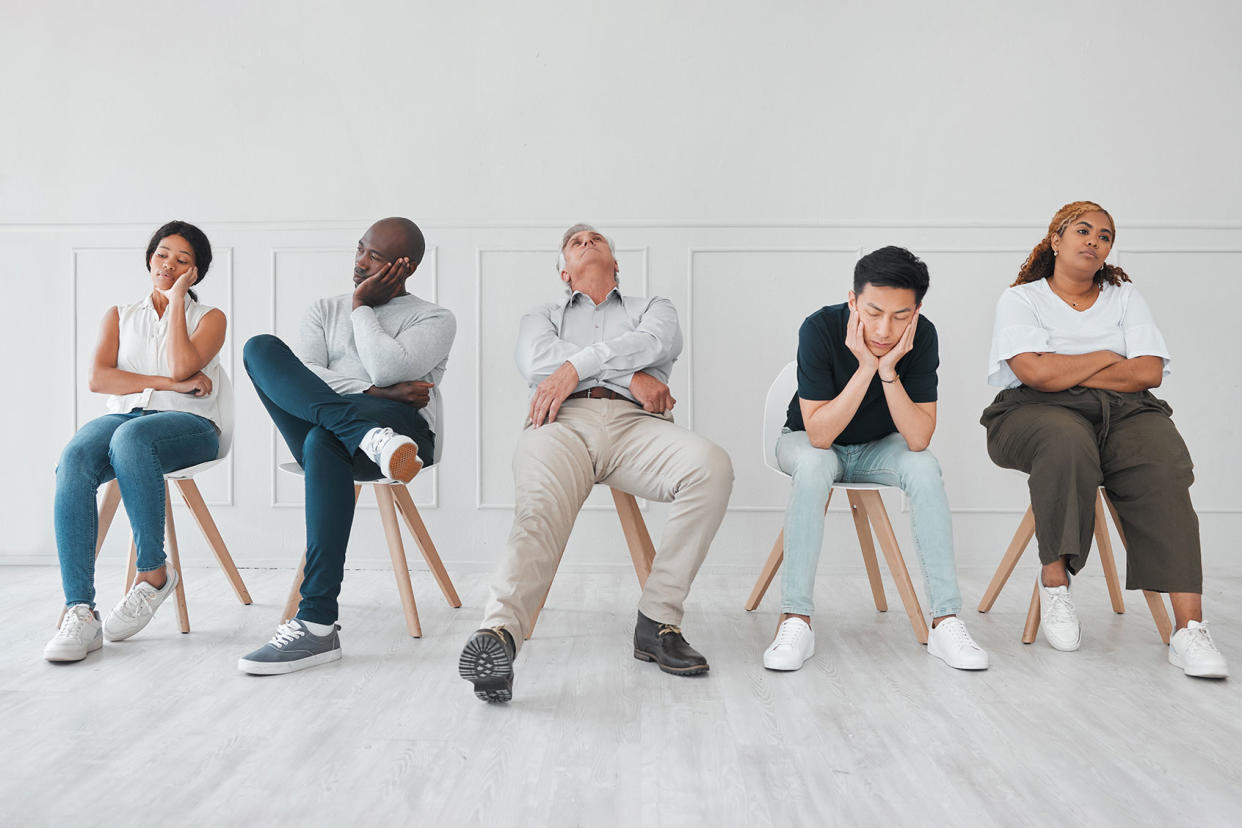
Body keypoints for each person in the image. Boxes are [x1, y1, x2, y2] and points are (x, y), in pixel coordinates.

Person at [458, 224, 733, 702]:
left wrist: (575, 369)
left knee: (711, 466)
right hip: (560, 423)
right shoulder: (540, 314)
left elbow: (658, 343)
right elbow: (537, 362)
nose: (586, 240)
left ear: (617, 264)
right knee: (538, 512)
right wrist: (636, 377)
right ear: (564, 271)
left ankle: (658, 621)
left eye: (596, 237)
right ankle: (499, 636)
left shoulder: (654, 307)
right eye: (574, 241)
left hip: (637, 426)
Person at [981, 200, 1227, 678]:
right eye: (1083, 230)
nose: (1094, 240)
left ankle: (1189, 629)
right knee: (1066, 442)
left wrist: (1067, 365)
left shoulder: (1124, 296)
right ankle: (1056, 583)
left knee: (1163, 463)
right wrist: (1107, 355)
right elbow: (1033, 372)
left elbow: (1149, 371)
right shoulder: (1022, 299)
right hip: (1033, 412)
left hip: (1126, 414)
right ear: (1056, 240)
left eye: (1105, 235)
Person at [237, 217, 455, 675]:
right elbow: (300, 378)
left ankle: (316, 624)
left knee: (322, 439)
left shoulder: (434, 318)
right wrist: (374, 396)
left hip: (404, 435)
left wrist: (361, 307)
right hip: (366, 431)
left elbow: (385, 368)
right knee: (259, 348)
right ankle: (363, 436)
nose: (360, 262)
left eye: (374, 256)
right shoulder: (321, 309)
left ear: (405, 266)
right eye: (360, 249)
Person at [764, 246, 989, 672]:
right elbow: (820, 433)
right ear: (853, 301)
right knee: (815, 465)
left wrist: (888, 370)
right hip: (806, 442)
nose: (885, 329)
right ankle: (796, 620)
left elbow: (919, 437)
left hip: (876, 449)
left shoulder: (923, 336)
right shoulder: (819, 327)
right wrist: (866, 366)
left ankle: (945, 621)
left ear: (917, 310)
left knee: (925, 468)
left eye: (901, 316)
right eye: (873, 312)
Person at [45, 221, 227, 662]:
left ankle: (153, 574)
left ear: (195, 273)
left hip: (193, 426)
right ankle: (81, 610)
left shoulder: (210, 318)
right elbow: (100, 378)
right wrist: (167, 382)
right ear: (150, 258)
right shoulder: (120, 315)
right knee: (74, 458)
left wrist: (178, 301)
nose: (169, 265)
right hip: (126, 417)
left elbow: (186, 366)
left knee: (131, 438)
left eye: (183, 261)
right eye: (163, 254)